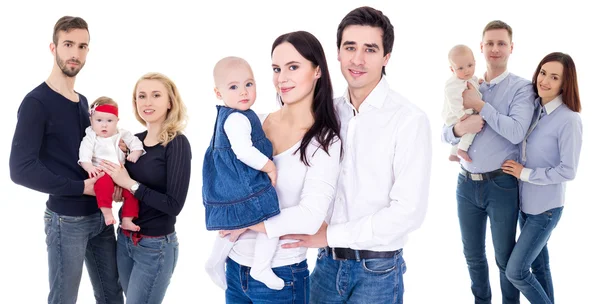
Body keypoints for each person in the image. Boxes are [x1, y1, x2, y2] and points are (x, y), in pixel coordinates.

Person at [280, 7, 432, 304]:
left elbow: (408, 213)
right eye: (350, 47)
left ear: (386, 57)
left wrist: (331, 235)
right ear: (337, 53)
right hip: (324, 265)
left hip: (377, 271)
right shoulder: (325, 114)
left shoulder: (409, 119)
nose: (358, 59)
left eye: (370, 49)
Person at [220, 30, 342, 304]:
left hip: (281, 277)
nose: (281, 78)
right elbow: (223, 182)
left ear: (317, 71)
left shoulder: (324, 141)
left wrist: (245, 221)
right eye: (276, 68)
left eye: (293, 67)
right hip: (235, 269)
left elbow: (309, 217)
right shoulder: (254, 123)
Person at [8, 16, 124, 304]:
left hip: (100, 215)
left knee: (112, 296)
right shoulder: (36, 103)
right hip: (66, 220)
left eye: (82, 46)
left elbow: (88, 152)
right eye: (68, 44)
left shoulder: (84, 102)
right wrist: (80, 187)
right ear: (53, 47)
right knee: (64, 299)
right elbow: (20, 169)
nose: (75, 53)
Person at [441, 20, 536, 304]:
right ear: (481, 48)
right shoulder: (463, 83)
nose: (495, 49)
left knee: (505, 258)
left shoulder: (522, 88)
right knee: (472, 256)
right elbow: (446, 131)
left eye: (501, 43)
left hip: (501, 185)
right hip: (466, 184)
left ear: (511, 48)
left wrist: (481, 106)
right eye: (490, 43)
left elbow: (517, 131)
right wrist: (458, 130)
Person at [99, 72, 191, 303]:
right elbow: (126, 185)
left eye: (156, 95)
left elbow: (174, 205)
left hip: (155, 246)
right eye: (141, 96)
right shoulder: (132, 142)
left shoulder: (176, 143)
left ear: (170, 102)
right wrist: (120, 190)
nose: (147, 102)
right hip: (125, 240)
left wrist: (130, 183)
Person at [502, 52, 582, 304]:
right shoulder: (535, 109)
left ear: (564, 84)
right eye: (543, 73)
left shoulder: (569, 120)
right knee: (540, 268)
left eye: (554, 77)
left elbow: (568, 170)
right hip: (524, 205)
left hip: (545, 210)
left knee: (516, 271)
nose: (544, 80)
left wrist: (524, 173)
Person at [203, 56, 282, 291]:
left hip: (229, 183)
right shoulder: (237, 118)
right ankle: (261, 265)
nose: (243, 92)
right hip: (243, 183)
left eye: (249, 84)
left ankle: (214, 261)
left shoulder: (232, 114)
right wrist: (269, 165)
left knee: (231, 226)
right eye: (233, 87)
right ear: (218, 93)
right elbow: (243, 151)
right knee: (273, 219)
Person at [79, 96, 145, 231]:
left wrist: (135, 152)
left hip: (121, 173)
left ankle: (127, 219)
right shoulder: (91, 136)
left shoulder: (121, 133)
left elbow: (136, 142)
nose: (104, 125)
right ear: (91, 120)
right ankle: (107, 213)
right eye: (99, 120)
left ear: (117, 121)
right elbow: (84, 154)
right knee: (102, 186)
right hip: (102, 171)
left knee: (132, 193)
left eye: (109, 121)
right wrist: (89, 166)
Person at [442, 44, 482, 162]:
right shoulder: (453, 84)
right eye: (460, 68)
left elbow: (472, 83)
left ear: (475, 62)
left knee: (472, 123)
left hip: (462, 111)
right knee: (473, 125)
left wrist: (478, 82)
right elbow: (453, 101)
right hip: (455, 114)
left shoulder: (468, 77)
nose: (466, 70)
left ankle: (454, 153)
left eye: (470, 65)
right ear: (452, 70)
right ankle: (462, 150)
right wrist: (461, 115)